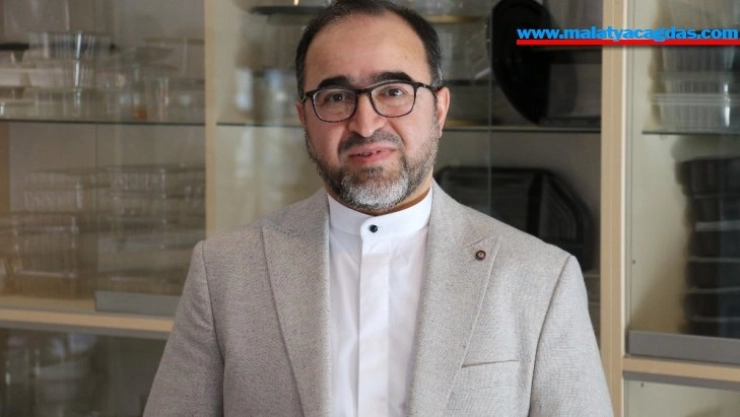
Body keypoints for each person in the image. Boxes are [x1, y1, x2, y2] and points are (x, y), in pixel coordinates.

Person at [144, 0, 613, 415]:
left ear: (439, 110)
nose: (366, 124)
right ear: (304, 117)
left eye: (393, 91)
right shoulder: (224, 272)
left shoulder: (541, 279)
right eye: (336, 97)